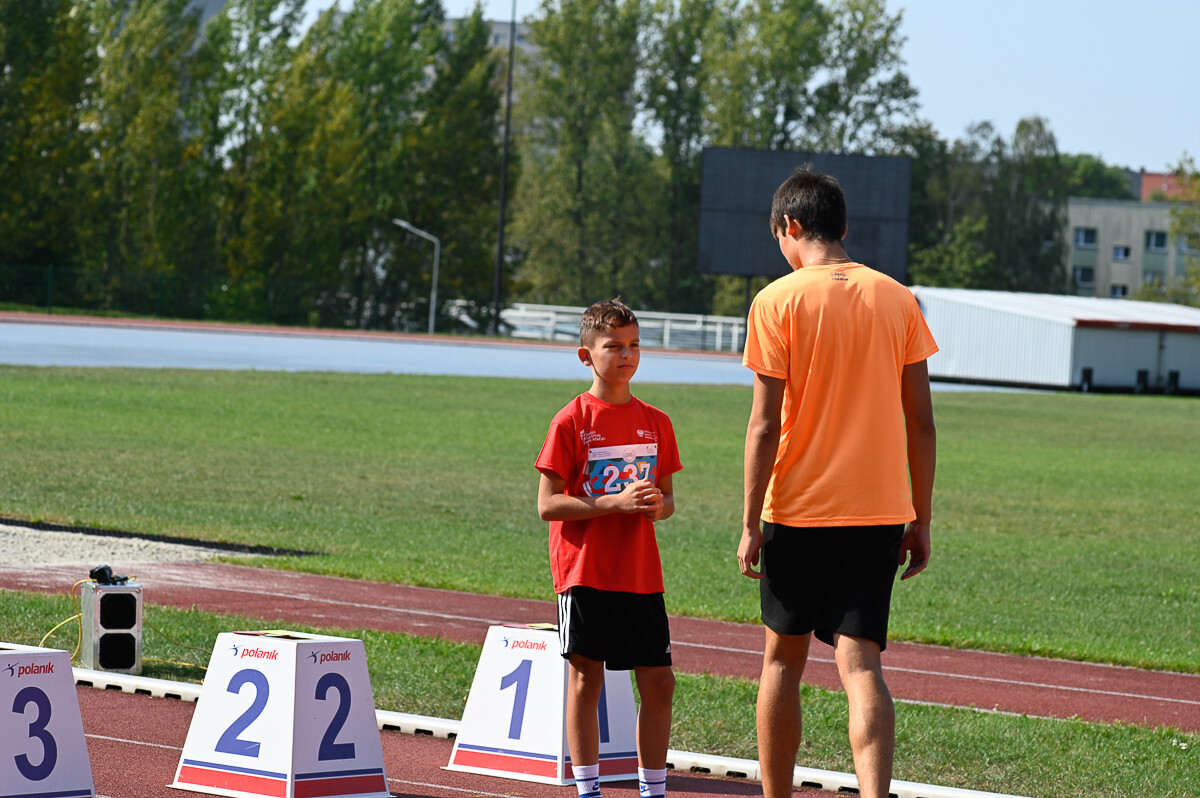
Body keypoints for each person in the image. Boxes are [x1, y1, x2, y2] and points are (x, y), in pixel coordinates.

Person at [737, 166, 938, 798]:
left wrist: (749, 522)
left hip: (796, 509)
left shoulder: (776, 301)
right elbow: (922, 422)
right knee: (862, 667)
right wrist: (921, 517)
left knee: (782, 662)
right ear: (843, 226)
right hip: (877, 510)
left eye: (779, 238)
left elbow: (764, 425)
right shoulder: (898, 298)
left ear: (791, 226)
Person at [536, 299, 681, 798]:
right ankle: (588, 790)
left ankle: (652, 790)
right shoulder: (570, 420)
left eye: (634, 345)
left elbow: (668, 499)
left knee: (659, 682)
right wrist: (613, 502)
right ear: (586, 355)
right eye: (614, 346)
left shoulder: (656, 421)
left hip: (640, 572)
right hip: (585, 571)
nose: (627, 355)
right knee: (586, 681)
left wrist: (657, 507)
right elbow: (548, 504)